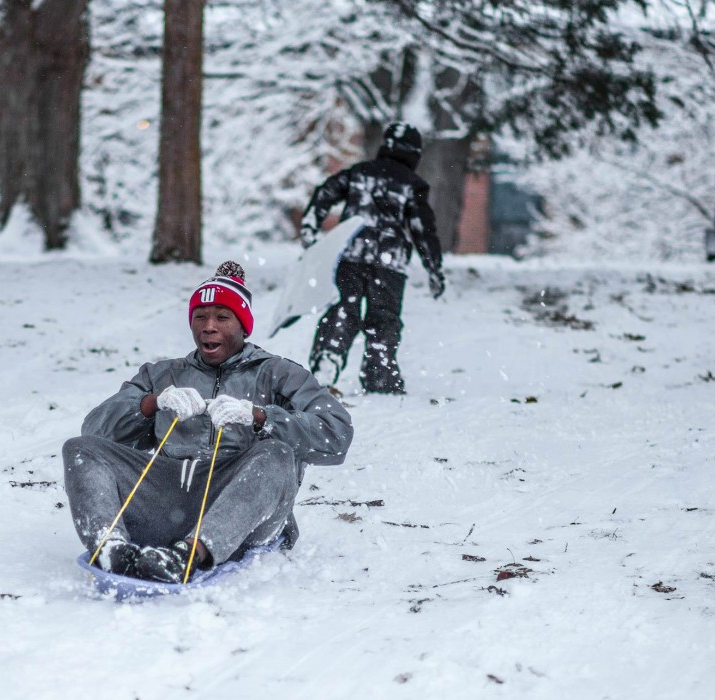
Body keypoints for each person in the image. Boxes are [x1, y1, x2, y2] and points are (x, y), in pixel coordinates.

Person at [62, 261, 353, 583]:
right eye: (200, 316)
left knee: (276, 454)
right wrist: (152, 403)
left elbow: (336, 437)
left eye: (222, 317)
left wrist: (260, 417)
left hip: (241, 514)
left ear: (243, 327)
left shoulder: (280, 374)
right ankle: (111, 549)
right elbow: (96, 430)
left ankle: (190, 555)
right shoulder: (162, 374)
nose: (208, 326)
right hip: (167, 501)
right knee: (80, 448)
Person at [298, 122, 446, 395]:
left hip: (351, 255)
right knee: (384, 318)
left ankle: (328, 359)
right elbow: (423, 230)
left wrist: (311, 226)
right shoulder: (412, 186)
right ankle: (380, 372)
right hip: (390, 264)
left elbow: (325, 193)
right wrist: (434, 268)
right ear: (414, 153)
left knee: (343, 308)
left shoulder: (360, 173)